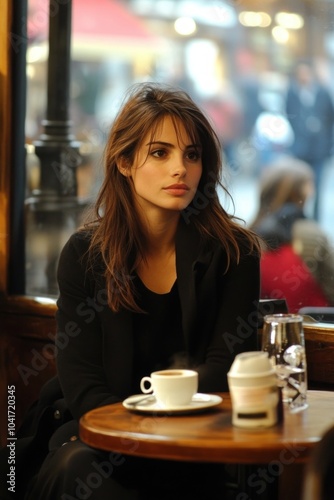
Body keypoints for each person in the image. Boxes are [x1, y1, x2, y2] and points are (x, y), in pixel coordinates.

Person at [16, 83, 262, 500]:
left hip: (195, 445)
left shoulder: (233, 254)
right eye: (161, 153)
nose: (180, 169)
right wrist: (142, 436)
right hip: (100, 443)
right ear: (125, 162)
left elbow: (227, 368)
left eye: (192, 154)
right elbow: (85, 387)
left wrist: (166, 431)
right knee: (75, 469)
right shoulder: (85, 255)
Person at [250, 155, 334, 313]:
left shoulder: (247, 235)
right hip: (312, 328)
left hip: (263, 330)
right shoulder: (310, 233)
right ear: (301, 191)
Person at [285, 61, 334, 220]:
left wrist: (328, 142)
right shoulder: (292, 93)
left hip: (320, 149)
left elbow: (330, 118)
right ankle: (299, 216)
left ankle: (316, 218)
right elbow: (289, 116)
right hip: (301, 149)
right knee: (299, 185)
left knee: (318, 185)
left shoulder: (322, 93)